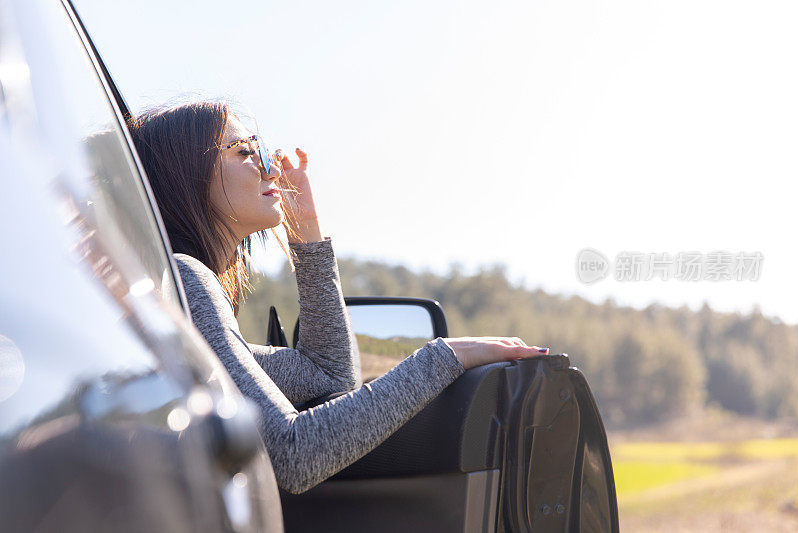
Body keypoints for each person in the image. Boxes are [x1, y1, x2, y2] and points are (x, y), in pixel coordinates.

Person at [126, 101, 550, 494]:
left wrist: (306, 228)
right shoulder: (186, 280)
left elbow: (328, 379)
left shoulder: (179, 294)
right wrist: (444, 357)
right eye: (243, 153)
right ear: (187, 176)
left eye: (264, 151)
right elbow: (296, 454)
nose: (272, 169)